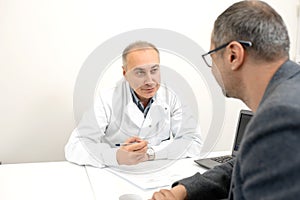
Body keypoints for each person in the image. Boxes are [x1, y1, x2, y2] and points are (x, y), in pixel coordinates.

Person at [151, 1, 300, 199]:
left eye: (212, 57)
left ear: (233, 55)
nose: (212, 69)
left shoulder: (280, 118)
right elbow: (245, 163)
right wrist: (184, 190)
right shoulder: (288, 94)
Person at [65, 41, 202, 167]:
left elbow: (193, 141)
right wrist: (116, 156)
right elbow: (75, 146)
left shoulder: (172, 96)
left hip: (162, 173)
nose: (150, 81)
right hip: (117, 173)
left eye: (154, 70)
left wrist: (150, 153)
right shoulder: (107, 99)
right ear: (125, 73)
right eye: (139, 72)